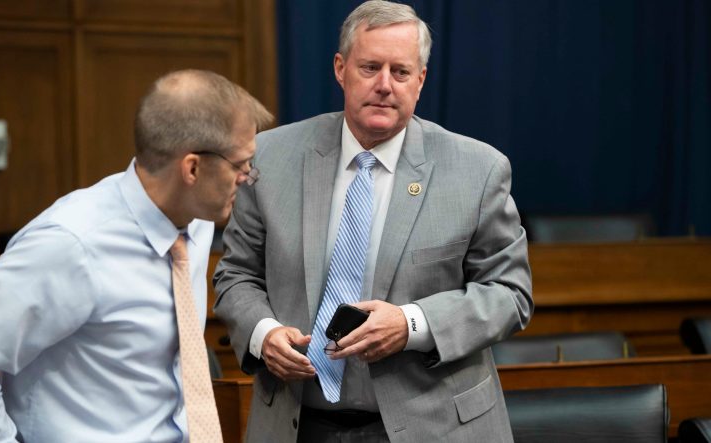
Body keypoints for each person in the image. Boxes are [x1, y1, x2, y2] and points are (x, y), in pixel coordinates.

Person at [213, 1, 533, 442]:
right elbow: (237, 273)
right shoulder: (270, 156)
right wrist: (263, 334)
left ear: (420, 81)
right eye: (370, 68)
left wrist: (412, 324)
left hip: (433, 426)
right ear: (341, 69)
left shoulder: (477, 169)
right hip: (297, 423)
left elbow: (509, 293)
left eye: (400, 72)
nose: (385, 85)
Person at [0, 69, 273, 442]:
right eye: (239, 164)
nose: (248, 176)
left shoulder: (195, 221)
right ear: (192, 168)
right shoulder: (71, 244)